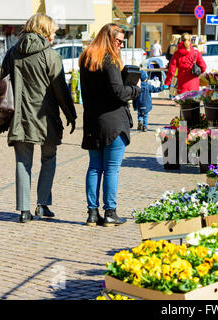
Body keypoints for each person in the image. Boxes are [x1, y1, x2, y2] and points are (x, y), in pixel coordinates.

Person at [0, 13, 77, 223]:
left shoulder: (12, 53)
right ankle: (42, 205)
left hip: (19, 117)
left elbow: (2, 84)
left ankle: (24, 210)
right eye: (52, 31)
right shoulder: (50, 55)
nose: (53, 35)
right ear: (45, 30)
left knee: (23, 163)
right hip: (46, 117)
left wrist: (4, 117)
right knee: (48, 159)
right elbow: (61, 89)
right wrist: (71, 114)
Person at [79, 23, 141, 227]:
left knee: (94, 167)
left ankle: (92, 213)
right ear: (109, 38)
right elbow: (118, 92)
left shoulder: (87, 59)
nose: (121, 45)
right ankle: (110, 213)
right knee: (112, 169)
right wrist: (135, 89)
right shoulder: (109, 60)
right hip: (113, 122)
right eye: (119, 41)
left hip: (93, 121)